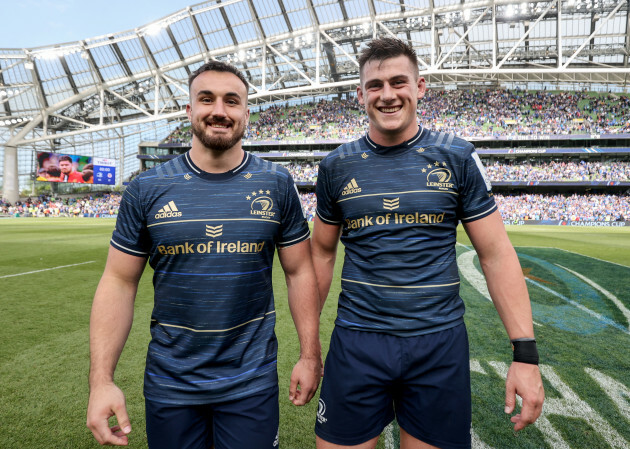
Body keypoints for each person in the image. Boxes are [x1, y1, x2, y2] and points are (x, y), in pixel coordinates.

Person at [311, 37, 544, 449]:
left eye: (399, 82)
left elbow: (496, 255)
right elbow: (321, 254)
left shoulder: (456, 157)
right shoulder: (336, 166)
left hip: (439, 343)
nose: (388, 95)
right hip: (357, 341)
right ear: (360, 94)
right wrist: (310, 350)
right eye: (375, 85)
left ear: (420, 87)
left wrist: (524, 355)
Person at [86, 61, 322, 448]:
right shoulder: (147, 189)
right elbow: (118, 282)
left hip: (251, 380)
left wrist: (310, 356)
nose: (219, 110)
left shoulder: (276, 183)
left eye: (232, 101)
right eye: (206, 99)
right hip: (170, 382)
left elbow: (299, 272)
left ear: (246, 113)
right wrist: (101, 381)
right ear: (189, 111)